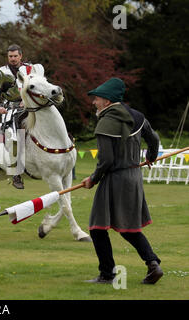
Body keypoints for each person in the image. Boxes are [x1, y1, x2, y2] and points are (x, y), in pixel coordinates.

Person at [82, 77, 163, 285]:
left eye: (97, 99)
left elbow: (106, 160)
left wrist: (93, 179)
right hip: (134, 177)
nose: (94, 103)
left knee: (97, 227)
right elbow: (153, 138)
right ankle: (153, 263)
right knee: (129, 227)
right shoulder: (138, 116)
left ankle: (107, 274)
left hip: (114, 178)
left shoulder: (106, 122)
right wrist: (151, 157)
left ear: (107, 101)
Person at [0, 44, 30, 189]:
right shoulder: (0, 72)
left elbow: (39, 86)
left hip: (30, 106)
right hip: (10, 110)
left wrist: (27, 100)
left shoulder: (30, 69)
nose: (13, 59)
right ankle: (15, 173)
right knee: (13, 136)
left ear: (21, 56)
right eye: (10, 56)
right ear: (7, 57)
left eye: (15, 56)